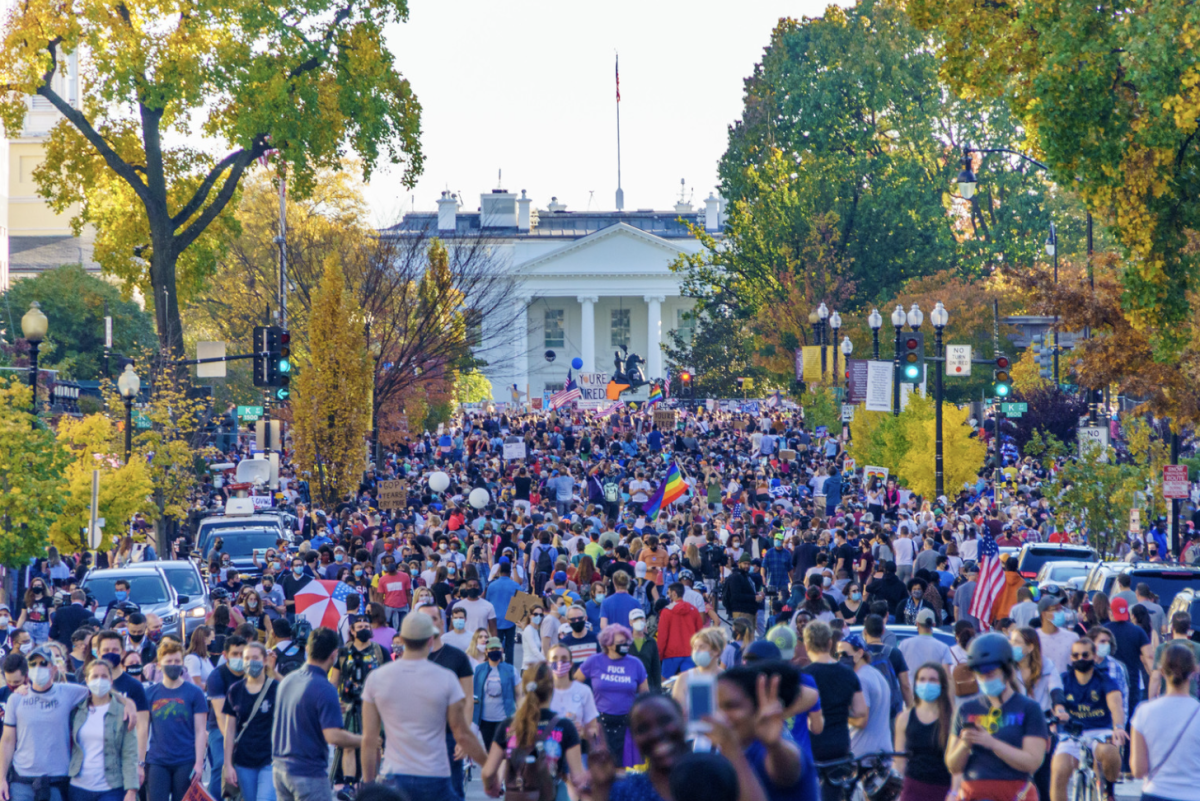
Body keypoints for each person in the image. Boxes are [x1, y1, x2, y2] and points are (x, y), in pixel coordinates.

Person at [360, 612, 488, 800]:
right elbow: (461, 733)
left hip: (394, 774)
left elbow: (369, 740)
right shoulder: (446, 679)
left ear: (402, 639)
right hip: (435, 776)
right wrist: (489, 768)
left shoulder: (377, 679)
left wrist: (369, 785)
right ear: (430, 640)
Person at [589, 694, 766, 801]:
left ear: (683, 721)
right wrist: (601, 788)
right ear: (634, 739)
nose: (656, 733)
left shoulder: (712, 775)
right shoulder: (627, 790)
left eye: (665, 721)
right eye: (643, 728)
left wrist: (731, 748)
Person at [945, 633, 1049, 801]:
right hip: (973, 793)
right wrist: (964, 744)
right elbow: (952, 765)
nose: (985, 679)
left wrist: (992, 743)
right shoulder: (966, 709)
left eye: (990, 673)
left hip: (1015, 793)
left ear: (1007, 671)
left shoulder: (1029, 708)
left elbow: (1033, 761)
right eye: (979, 675)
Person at [271, 628, 363, 801]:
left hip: (280, 770)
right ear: (334, 654)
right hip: (308, 774)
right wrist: (365, 741)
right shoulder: (324, 688)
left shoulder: (288, 680)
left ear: (307, 649)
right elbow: (333, 736)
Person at [480, 662, 587, 801]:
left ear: (524, 688)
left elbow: (488, 772)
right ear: (551, 689)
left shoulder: (508, 726)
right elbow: (578, 777)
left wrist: (491, 787)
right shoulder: (565, 726)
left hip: (519, 795)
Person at [716, 664, 806, 801]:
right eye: (716, 707)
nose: (721, 716)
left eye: (731, 706)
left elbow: (787, 771)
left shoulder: (776, 748)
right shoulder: (721, 750)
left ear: (759, 706)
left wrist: (774, 746)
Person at [1049, 637, 1123, 801]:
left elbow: (1115, 704)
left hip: (1100, 732)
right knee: (1058, 772)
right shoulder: (1064, 679)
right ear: (1071, 658)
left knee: (1110, 752)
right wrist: (1059, 712)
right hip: (1071, 734)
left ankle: (1108, 790)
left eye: (1085, 655)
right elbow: (1058, 701)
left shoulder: (1104, 679)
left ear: (1094, 656)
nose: (1080, 659)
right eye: (1075, 655)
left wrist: (1118, 726)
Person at [802, 621, 865, 801]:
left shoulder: (804, 675)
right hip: (839, 744)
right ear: (830, 643)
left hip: (812, 744)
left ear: (806, 645)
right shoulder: (848, 673)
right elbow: (860, 710)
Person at [1131, 643, 1200, 801]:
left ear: (1161, 671)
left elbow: (1138, 770)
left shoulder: (1144, 712)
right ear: (1194, 671)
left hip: (1156, 792)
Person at [144, 641, 207, 801]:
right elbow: (143, 729)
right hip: (158, 760)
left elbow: (200, 731)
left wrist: (199, 763)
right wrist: (140, 762)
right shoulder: (150, 693)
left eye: (177, 661)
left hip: (186, 760)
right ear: (159, 665)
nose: (173, 665)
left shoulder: (195, 693)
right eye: (169, 661)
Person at [68, 659, 139, 801]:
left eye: (104, 676)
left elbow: (130, 754)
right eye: (95, 676)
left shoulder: (122, 712)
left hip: (111, 788)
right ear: (87, 680)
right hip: (78, 787)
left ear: (111, 680)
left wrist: (131, 791)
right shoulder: (77, 710)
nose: (100, 681)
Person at [580, 625, 648, 769]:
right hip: (600, 724)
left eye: (626, 642)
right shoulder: (594, 661)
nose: (625, 645)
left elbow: (645, 696)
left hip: (627, 724)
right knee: (601, 769)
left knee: (624, 771)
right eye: (620, 642)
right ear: (608, 644)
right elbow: (574, 684)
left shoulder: (636, 664)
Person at [329, 615, 385, 785]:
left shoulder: (380, 651)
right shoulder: (343, 652)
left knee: (375, 744)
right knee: (348, 744)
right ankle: (348, 783)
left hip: (375, 704)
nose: (363, 629)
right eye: (359, 626)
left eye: (366, 625)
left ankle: (372, 783)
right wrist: (332, 702)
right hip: (348, 703)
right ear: (352, 631)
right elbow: (334, 680)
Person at [222, 641, 279, 801]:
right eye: (246, 658)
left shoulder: (276, 689)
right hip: (243, 760)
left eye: (255, 657)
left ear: (265, 660)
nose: (250, 662)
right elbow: (230, 730)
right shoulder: (235, 690)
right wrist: (228, 764)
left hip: (270, 759)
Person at [893, 663, 953, 801]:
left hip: (943, 788)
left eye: (932, 680)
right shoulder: (904, 718)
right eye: (922, 679)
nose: (927, 684)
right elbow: (899, 761)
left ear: (941, 684)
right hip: (912, 787)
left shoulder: (952, 718)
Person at [205, 635, 247, 801]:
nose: (239, 658)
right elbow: (220, 714)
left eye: (242, 654)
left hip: (247, 726)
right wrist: (231, 741)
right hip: (219, 727)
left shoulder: (253, 674)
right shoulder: (217, 676)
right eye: (235, 654)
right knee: (222, 763)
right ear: (225, 654)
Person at [837, 633, 892, 759]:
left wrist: (838, 714)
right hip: (883, 751)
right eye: (837, 655)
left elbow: (861, 720)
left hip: (863, 755)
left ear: (859, 653)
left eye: (844, 654)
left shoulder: (860, 679)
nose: (840, 658)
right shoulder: (877, 674)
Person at [1103, 596, 1151, 724]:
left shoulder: (1103, 631)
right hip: (1132, 681)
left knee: (1109, 717)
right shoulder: (1138, 631)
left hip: (1106, 680)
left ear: (1111, 612)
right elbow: (1149, 655)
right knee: (1131, 719)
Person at [546, 644, 600, 743]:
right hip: (548, 752)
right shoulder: (541, 691)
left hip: (577, 748)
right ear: (548, 664)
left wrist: (583, 732)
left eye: (564, 659)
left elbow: (594, 731)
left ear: (570, 664)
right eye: (554, 658)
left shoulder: (584, 691)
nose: (559, 663)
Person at [670, 627, 726, 720]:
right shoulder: (684, 678)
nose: (697, 651)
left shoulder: (726, 678)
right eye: (695, 647)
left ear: (716, 651)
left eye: (702, 647)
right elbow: (677, 712)